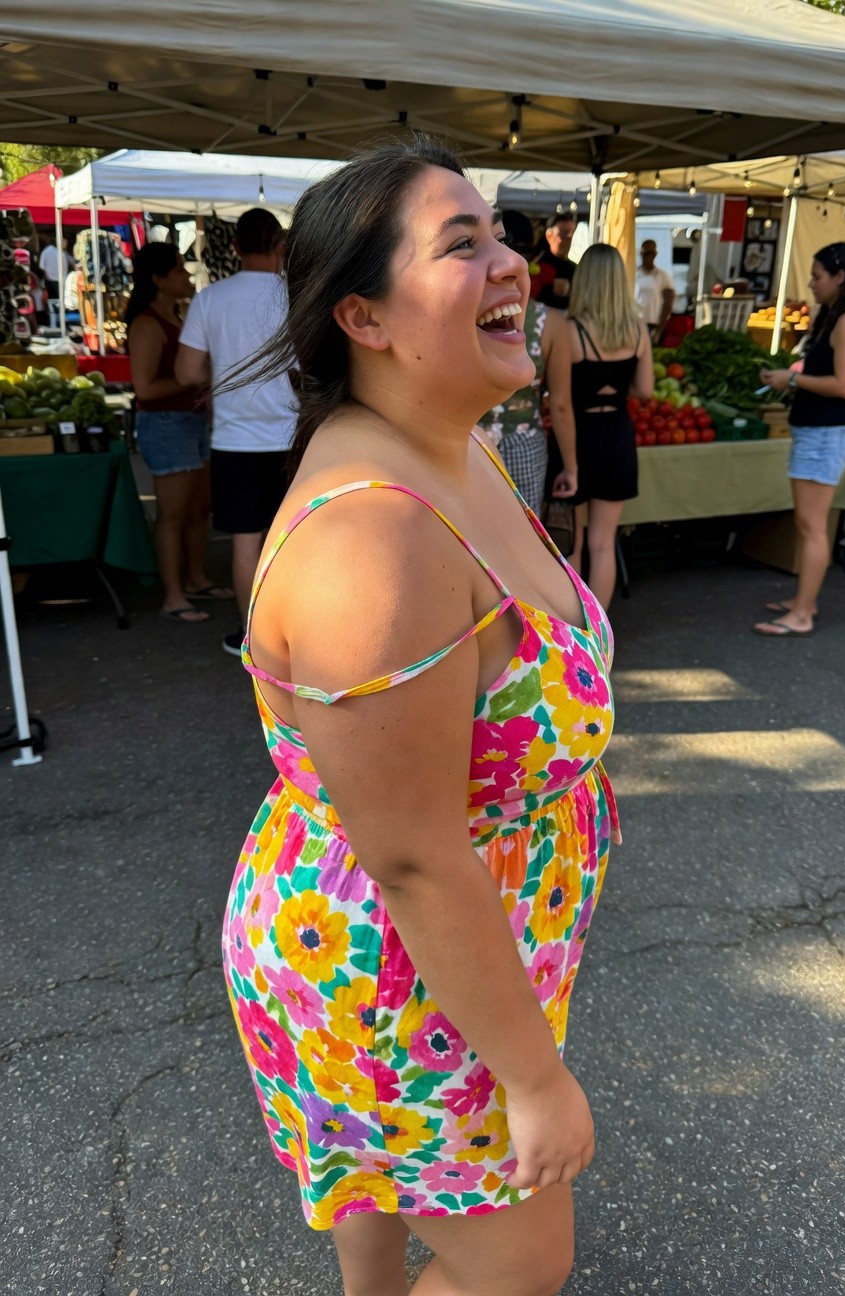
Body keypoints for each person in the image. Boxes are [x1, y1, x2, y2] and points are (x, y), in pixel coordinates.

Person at [222, 135, 620, 1296]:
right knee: (523, 1263)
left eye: (500, 232)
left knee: (380, 1206)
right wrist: (537, 1079)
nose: (512, 263)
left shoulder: (464, 449)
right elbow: (409, 854)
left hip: (459, 947)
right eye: (463, 244)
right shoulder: (375, 541)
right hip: (396, 972)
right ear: (366, 318)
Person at [176, 208, 297, 657]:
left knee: (246, 542)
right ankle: (299, 636)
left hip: (235, 440)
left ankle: (254, 639)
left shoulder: (211, 300)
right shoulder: (297, 297)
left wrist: (223, 370)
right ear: (281, 247)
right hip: (291, 436)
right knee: (292, 537)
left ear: (235, 247)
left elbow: (187, 372)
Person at [754, 241, 845, 637]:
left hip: (828, 433)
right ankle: (805, 600)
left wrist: (793, 379)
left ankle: (802, 614)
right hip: (817, 431)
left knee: (813, 525)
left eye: (818, 276)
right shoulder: (834, 316)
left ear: (841, 276)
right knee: (807, 523)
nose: (811, 283)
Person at [126, 243, 231, 624]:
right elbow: (145, 389)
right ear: (158, 279)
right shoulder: (147, 324)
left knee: (198, 509)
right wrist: (194, 378)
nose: (187, 277)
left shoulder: (176, 317)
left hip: (192, 422)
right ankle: (172, 595)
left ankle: (196, 578)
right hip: (166, 426)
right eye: (179, 271)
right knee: (172, 515)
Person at [546, 242, 653, 609]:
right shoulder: (637, 330)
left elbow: (557, 396)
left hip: (578, 437)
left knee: (572, 544)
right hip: (618, 436)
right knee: (604, 543)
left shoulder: (571, 332)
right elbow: (645, 389)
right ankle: (601, 633)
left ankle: (575, 636)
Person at [478, 210, 577, 514]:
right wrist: (571, 468)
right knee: (523, 545)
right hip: (525, 445)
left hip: (468, 440)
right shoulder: (553, 323)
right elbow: (559, 404)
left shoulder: (464, 310)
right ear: (531, 259)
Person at [635, 239, 675, 342]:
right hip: (635, 324)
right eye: (644, 253)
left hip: (654, 324)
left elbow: (668, 303)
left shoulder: (663, 276)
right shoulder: (633, 274)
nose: (647, 256)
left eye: (650, 253)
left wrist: (659, 329)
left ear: (655, 254)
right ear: (641, 254)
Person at [537, 211, 577, 311]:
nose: (568, 240)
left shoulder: (576, 269)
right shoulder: (535, 262)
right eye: (563, 234)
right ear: (549, 235)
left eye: (571, 235)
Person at [38, 234, 72, 303]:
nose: (66, 243)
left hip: (61, 281)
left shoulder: (63, 252)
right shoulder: (48, 251)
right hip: (52, 282)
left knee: (58, 301)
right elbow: (42, 268)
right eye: (64, 241)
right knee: (56, 301)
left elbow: (42, 268)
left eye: (66, 242)